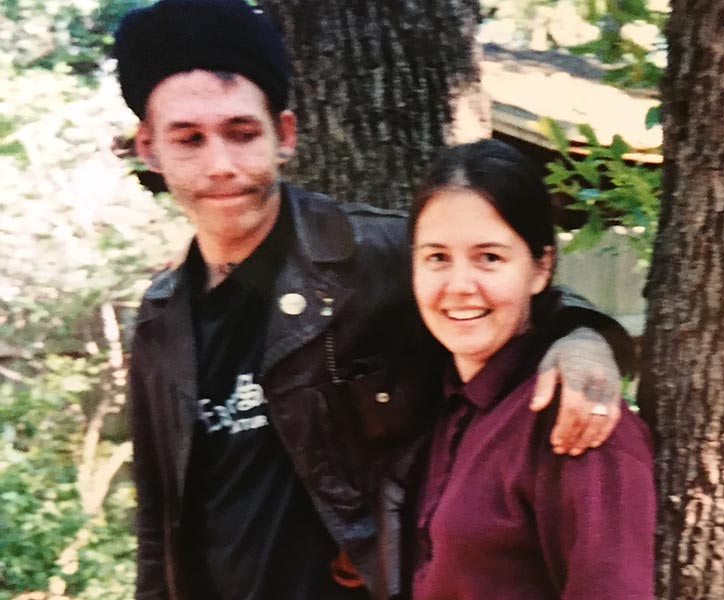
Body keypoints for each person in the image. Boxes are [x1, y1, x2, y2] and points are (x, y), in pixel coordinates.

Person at [114, 1, 635, 598]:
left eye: (242, 132)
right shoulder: (160, 319)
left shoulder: (378, 256)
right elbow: (159, 524)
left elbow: (516, 297)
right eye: (189, 140)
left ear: (283, 135)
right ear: (149, 148)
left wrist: (584, 342)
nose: (222, 165)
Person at [410, 139, 655, 599]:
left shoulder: (578, 423)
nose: (459, 286)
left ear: (541, 268)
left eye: (490, 257)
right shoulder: (448, 400)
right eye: (437, 257)